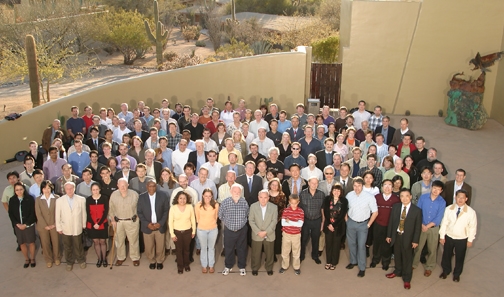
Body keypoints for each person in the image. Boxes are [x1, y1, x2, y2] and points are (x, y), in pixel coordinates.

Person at [385, 189, 422, 290]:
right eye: (402, 196)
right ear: (399, 197)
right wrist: (389, 235)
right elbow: (391, 222)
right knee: (397, 255)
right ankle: (398, 271)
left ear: (410, 196)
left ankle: (407, 278)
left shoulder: (416, 210)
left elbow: (418, 227)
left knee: (407, 258)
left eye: (406, 196)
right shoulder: (396, 207)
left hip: (409, 238)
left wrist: (415, 240)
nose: (404, 198)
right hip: (397, 235)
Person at [439, 189, 477, 282]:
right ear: (455, 197)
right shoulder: (448, 209)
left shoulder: (471, 212)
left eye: (462, 198)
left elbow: (473, 227)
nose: (460, 199)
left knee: (460, 257)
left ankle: (457, 274)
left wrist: (470, 240)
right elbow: (444, 223)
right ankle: (446, 271)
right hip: (449, 236)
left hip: (462, 238)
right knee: (446, 254)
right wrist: (442, 236)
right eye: (458, 197)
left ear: (466, 199)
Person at [345, 177, 378, 277]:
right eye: (355, 185)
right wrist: (347, 220)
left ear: (362, 186)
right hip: (351, 222)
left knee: (361, 246)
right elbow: (344, 209)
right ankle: (353, 261)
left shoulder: (369, 197)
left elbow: (375, 212)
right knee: (351, 244)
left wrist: (368, 225)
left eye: (359, 186)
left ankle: (362, 267)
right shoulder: (349, 195)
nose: (357, 188)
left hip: (363, 224)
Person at [412, 180, 446, 276]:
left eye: (438, 189)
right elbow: (418, 211)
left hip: (433, 229)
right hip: (421, 226)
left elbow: (439, 217)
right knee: (418, 247)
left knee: (432, 248)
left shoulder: (442, 202)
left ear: (441, 191)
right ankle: (414, 264)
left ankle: (429, 267)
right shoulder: (423, 198)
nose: (435, 191)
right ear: (431, 187)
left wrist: (427, 226)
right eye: (434, 188)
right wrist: (422, 224)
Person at [137, 180, 169, 270]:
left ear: (156, 187)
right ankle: (151, 261)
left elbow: (166, 210)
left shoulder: (163, 196)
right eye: (150, 186)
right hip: (147, 227)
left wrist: (160, 223)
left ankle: (159, 261)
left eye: (153, 186)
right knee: (149, 246)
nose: (151, 188)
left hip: (159, 226)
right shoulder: (141, 197)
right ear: (147, 187)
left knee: (160, 246)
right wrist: (147, 224)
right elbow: (139, 212)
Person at [219, 184, 250, 276]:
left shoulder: (244, 202)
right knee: (229, 249)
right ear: (231, 192)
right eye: (235, 191)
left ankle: (242, 266)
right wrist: (228, 223)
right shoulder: (225, 202)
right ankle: (228, 266)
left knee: (242, 249)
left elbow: (247, 214)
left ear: (241, 193)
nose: (236, 193)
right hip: (229, 230)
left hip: (242, 230)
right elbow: (220, 215)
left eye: (238, 192)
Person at [56, 182, 87, 271]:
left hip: (77, 226)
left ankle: (81, 260)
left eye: (71, 188)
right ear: (64, 190)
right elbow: (57, 215)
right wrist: (59, 227)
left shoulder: (81, 199)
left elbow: (83, 213)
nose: (69, 190)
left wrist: (83, 224)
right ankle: (69, 262)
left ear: (74, 189)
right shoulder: (59, 201)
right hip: (66, 227)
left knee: (78, 245)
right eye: (67, 189)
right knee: (67, 246)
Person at [109, 178, 141, 267]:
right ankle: (120, 257)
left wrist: (138, 218)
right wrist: (112, 220)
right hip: (118, 221)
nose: (122, 187)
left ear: (128, 185)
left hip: (131, 221)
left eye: (124, 185)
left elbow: (139, 208)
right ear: (117, 185)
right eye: (121, 185)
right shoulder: (114, 195)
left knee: (133, 241)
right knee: (119, 241)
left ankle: (135, 258)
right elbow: (111, 209)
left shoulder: (134, 194)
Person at [370, 179, 400, 270]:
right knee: (377, 243)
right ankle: (375, 259)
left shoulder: (396, 199)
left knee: (387, 244)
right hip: (378, 224)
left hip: (389, 226)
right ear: (382, 187)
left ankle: (386, 261)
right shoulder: (376, 197)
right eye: (385, 185)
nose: (387, 187)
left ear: (392, 187)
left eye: (389, 185)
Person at [249, 190, 278, 276]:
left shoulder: (274, 207)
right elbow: (251, 220)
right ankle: (255, 267)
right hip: (257, 234)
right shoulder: (253, 206)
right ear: (258, 198)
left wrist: (266, 232)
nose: (263, 200)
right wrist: (258, 232)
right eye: (261, 197)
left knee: (269, 253)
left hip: (269, 234)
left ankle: (269, 268)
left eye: (265, 198)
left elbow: (274, 221)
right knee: (255, 253)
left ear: (268, 198)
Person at [9, 182, 37, 268]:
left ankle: (32, 258)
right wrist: (17, 224)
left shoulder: (30, 199)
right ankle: (26, 259)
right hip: (18, 226)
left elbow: (33, 213)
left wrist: (26, 224)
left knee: (31, 242)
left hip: (28, 225)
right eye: (17, 190)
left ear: (24, 189)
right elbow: (11, 214)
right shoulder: (12, 200)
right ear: (14, 191)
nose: (19, 191)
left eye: (21, 189)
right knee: (22, 243)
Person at [299, 176, 325, 264]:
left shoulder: (321, 194)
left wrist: (322, 222)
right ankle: (301, 255)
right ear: (309, 183)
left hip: (317, 220)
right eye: (312, 183)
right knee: (303, 239)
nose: (314, 185)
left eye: (316, 183)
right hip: (305, 220)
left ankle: (315, 256)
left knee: (315, 239)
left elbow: (322, 209)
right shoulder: (302, 194)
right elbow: (300, 208)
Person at [35, 180, 61, 268]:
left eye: (48, 188)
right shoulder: (38, 200)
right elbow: (38, 214)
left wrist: (54, 224)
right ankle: (48, 259)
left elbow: (59, 212)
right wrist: (45, 225)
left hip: (54, 225)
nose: (47, 190)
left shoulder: (57, 198)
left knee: (56, 242)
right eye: (44, 188)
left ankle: (57, 257)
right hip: (43, 226)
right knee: (45, 243)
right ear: (42, 189)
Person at [323, 183, 348, 270]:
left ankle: (334, 262)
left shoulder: (344, 201)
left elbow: (342, 215)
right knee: (328, 243)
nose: (336, 192)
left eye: (338, 190)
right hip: (328, 225)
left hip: (338, 226)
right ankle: (328, 261)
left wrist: (334, 225)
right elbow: (326, 212)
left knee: (336, 245)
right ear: (332, 191)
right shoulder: (327, 199)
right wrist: (329, 224)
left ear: (341, 192)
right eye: (334, 190)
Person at [195, 188, 219, 273]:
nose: (207, 198)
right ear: (203, 196)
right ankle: (204, 265)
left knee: (211, 248)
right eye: (206, 196)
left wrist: (211, 224)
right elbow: (197, 218)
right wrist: (203, 225)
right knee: (203, 248)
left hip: (213, 229)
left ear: (212, 196)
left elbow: (216, 217)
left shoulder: (216, 205)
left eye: (209, 196)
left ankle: (211, 265)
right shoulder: (198, 205)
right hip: (201, 230)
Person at [86, 183, 109, 268]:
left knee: (102, 242)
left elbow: (105, 212)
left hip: (102, 223)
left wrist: (99, 223)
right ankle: (99, 259)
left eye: (97, 189)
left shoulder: (104, 198)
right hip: (92, 225)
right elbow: (88, 213)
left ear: (99, 189)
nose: (95, 191)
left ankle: (104, 259)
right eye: (93, 190)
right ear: (91, 190)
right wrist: (94, 224)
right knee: (96, 242)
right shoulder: (88, 199)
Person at [267, 178, 286, 260]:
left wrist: (279, 219)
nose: (274, 186)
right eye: (273, 184)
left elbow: (283, 208)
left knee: (277, 236)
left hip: (278, 219)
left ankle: (276, 252)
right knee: (269, 237)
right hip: (267, 220)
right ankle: (270, 254)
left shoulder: (282, 195)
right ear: (270, 185)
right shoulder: (266, 194)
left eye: (276, 185)